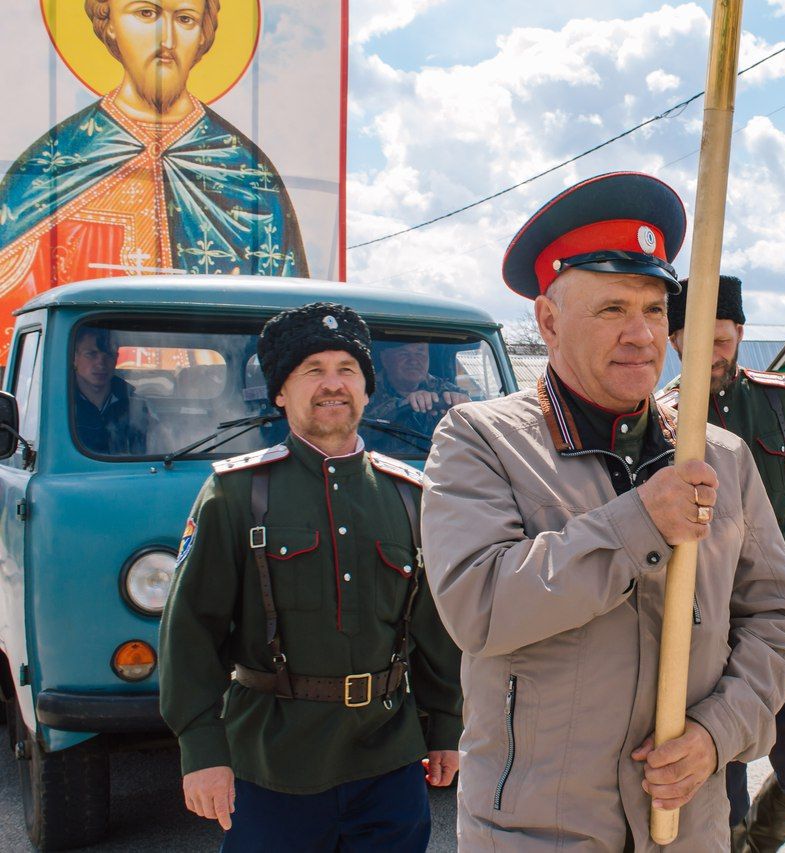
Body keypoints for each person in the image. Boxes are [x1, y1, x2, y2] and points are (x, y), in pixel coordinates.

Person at [421, 172, 785, 851]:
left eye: (656, 310)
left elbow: (779, 619)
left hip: (686, 827)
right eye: (611, 309)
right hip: (538, 834)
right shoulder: (478, 440)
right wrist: (638, 524)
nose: (641, 335)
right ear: (547, 321)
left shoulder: (722, 456)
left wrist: (717, 733)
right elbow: (479, 606)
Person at [158, 302, 462, 851]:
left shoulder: (409, 497)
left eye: (347, 369)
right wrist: (201, 751)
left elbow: (435, 628)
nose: (332, 385)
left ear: (367, 389)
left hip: (389, 765)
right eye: (312, 370)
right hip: (273, 764)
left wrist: (446, 728)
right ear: (280, 392)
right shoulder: (235, 495)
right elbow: (190, 631)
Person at [662, 274, 785, 852]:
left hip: (779, 612)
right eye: (698, 343)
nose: (712, 356)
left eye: (722, 342)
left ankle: (755, 842)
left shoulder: (778, 403)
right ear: (677, 341)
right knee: (714, 775)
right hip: (701, 618)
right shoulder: (664, 418)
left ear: (740, 333)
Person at [0, 0, 307, 352]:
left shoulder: (249, 173)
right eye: (146, 14)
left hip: (227, 404)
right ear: (109, 22)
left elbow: (293, 326)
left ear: (203, 34)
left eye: (186, 19)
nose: (167, 40)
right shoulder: (55, 162)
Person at [365, 342, 469, 447]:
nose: (413, 361)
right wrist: (401, 405)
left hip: (439, 461)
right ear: (385, 359)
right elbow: (359, 431)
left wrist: (464, 405)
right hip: (379, 460)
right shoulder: (366, 391)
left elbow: (476, 429)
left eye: (420, 354)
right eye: (403, 354)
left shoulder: (444, 389)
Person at [72, 326, 153, 455]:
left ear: (116, 359)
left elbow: (155, 451)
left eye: (108, 354)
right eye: (91, 354)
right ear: (75, 358)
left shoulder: (135, 405)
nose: (101, 364)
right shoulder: (59, 402)